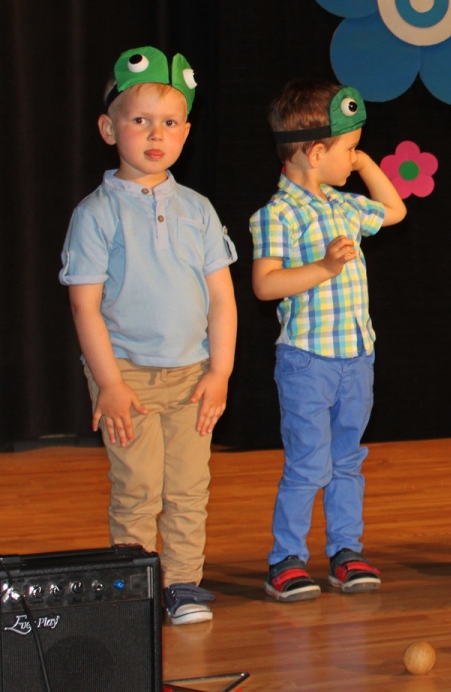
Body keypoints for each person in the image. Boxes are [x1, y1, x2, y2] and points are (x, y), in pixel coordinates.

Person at [61, 46, 237, 626]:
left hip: (192, 376)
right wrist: (110, 384)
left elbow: (221, 299)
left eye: (170, 122)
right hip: (128, 376)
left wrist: (220, 371)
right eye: (140, 120)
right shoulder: (96, 214)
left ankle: (183, 583)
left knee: (188, 486)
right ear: (109, 129)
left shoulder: (198, 209)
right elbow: (85, 306)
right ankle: (133, 589)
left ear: (186, 131)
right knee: (137, 487)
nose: (156, 134)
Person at [250, 80, 406, 601]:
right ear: (316, 153)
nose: (355, 157)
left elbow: (395, 211)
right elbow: (265, 284)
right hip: (307, 361)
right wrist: (322, 267)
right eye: (349, 148)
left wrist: (365, 164)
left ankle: (345, 552)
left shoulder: (344, 204)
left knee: (346, 461)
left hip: (356, 359)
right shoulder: (278, 214)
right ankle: (286, 559)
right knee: (308, 463)